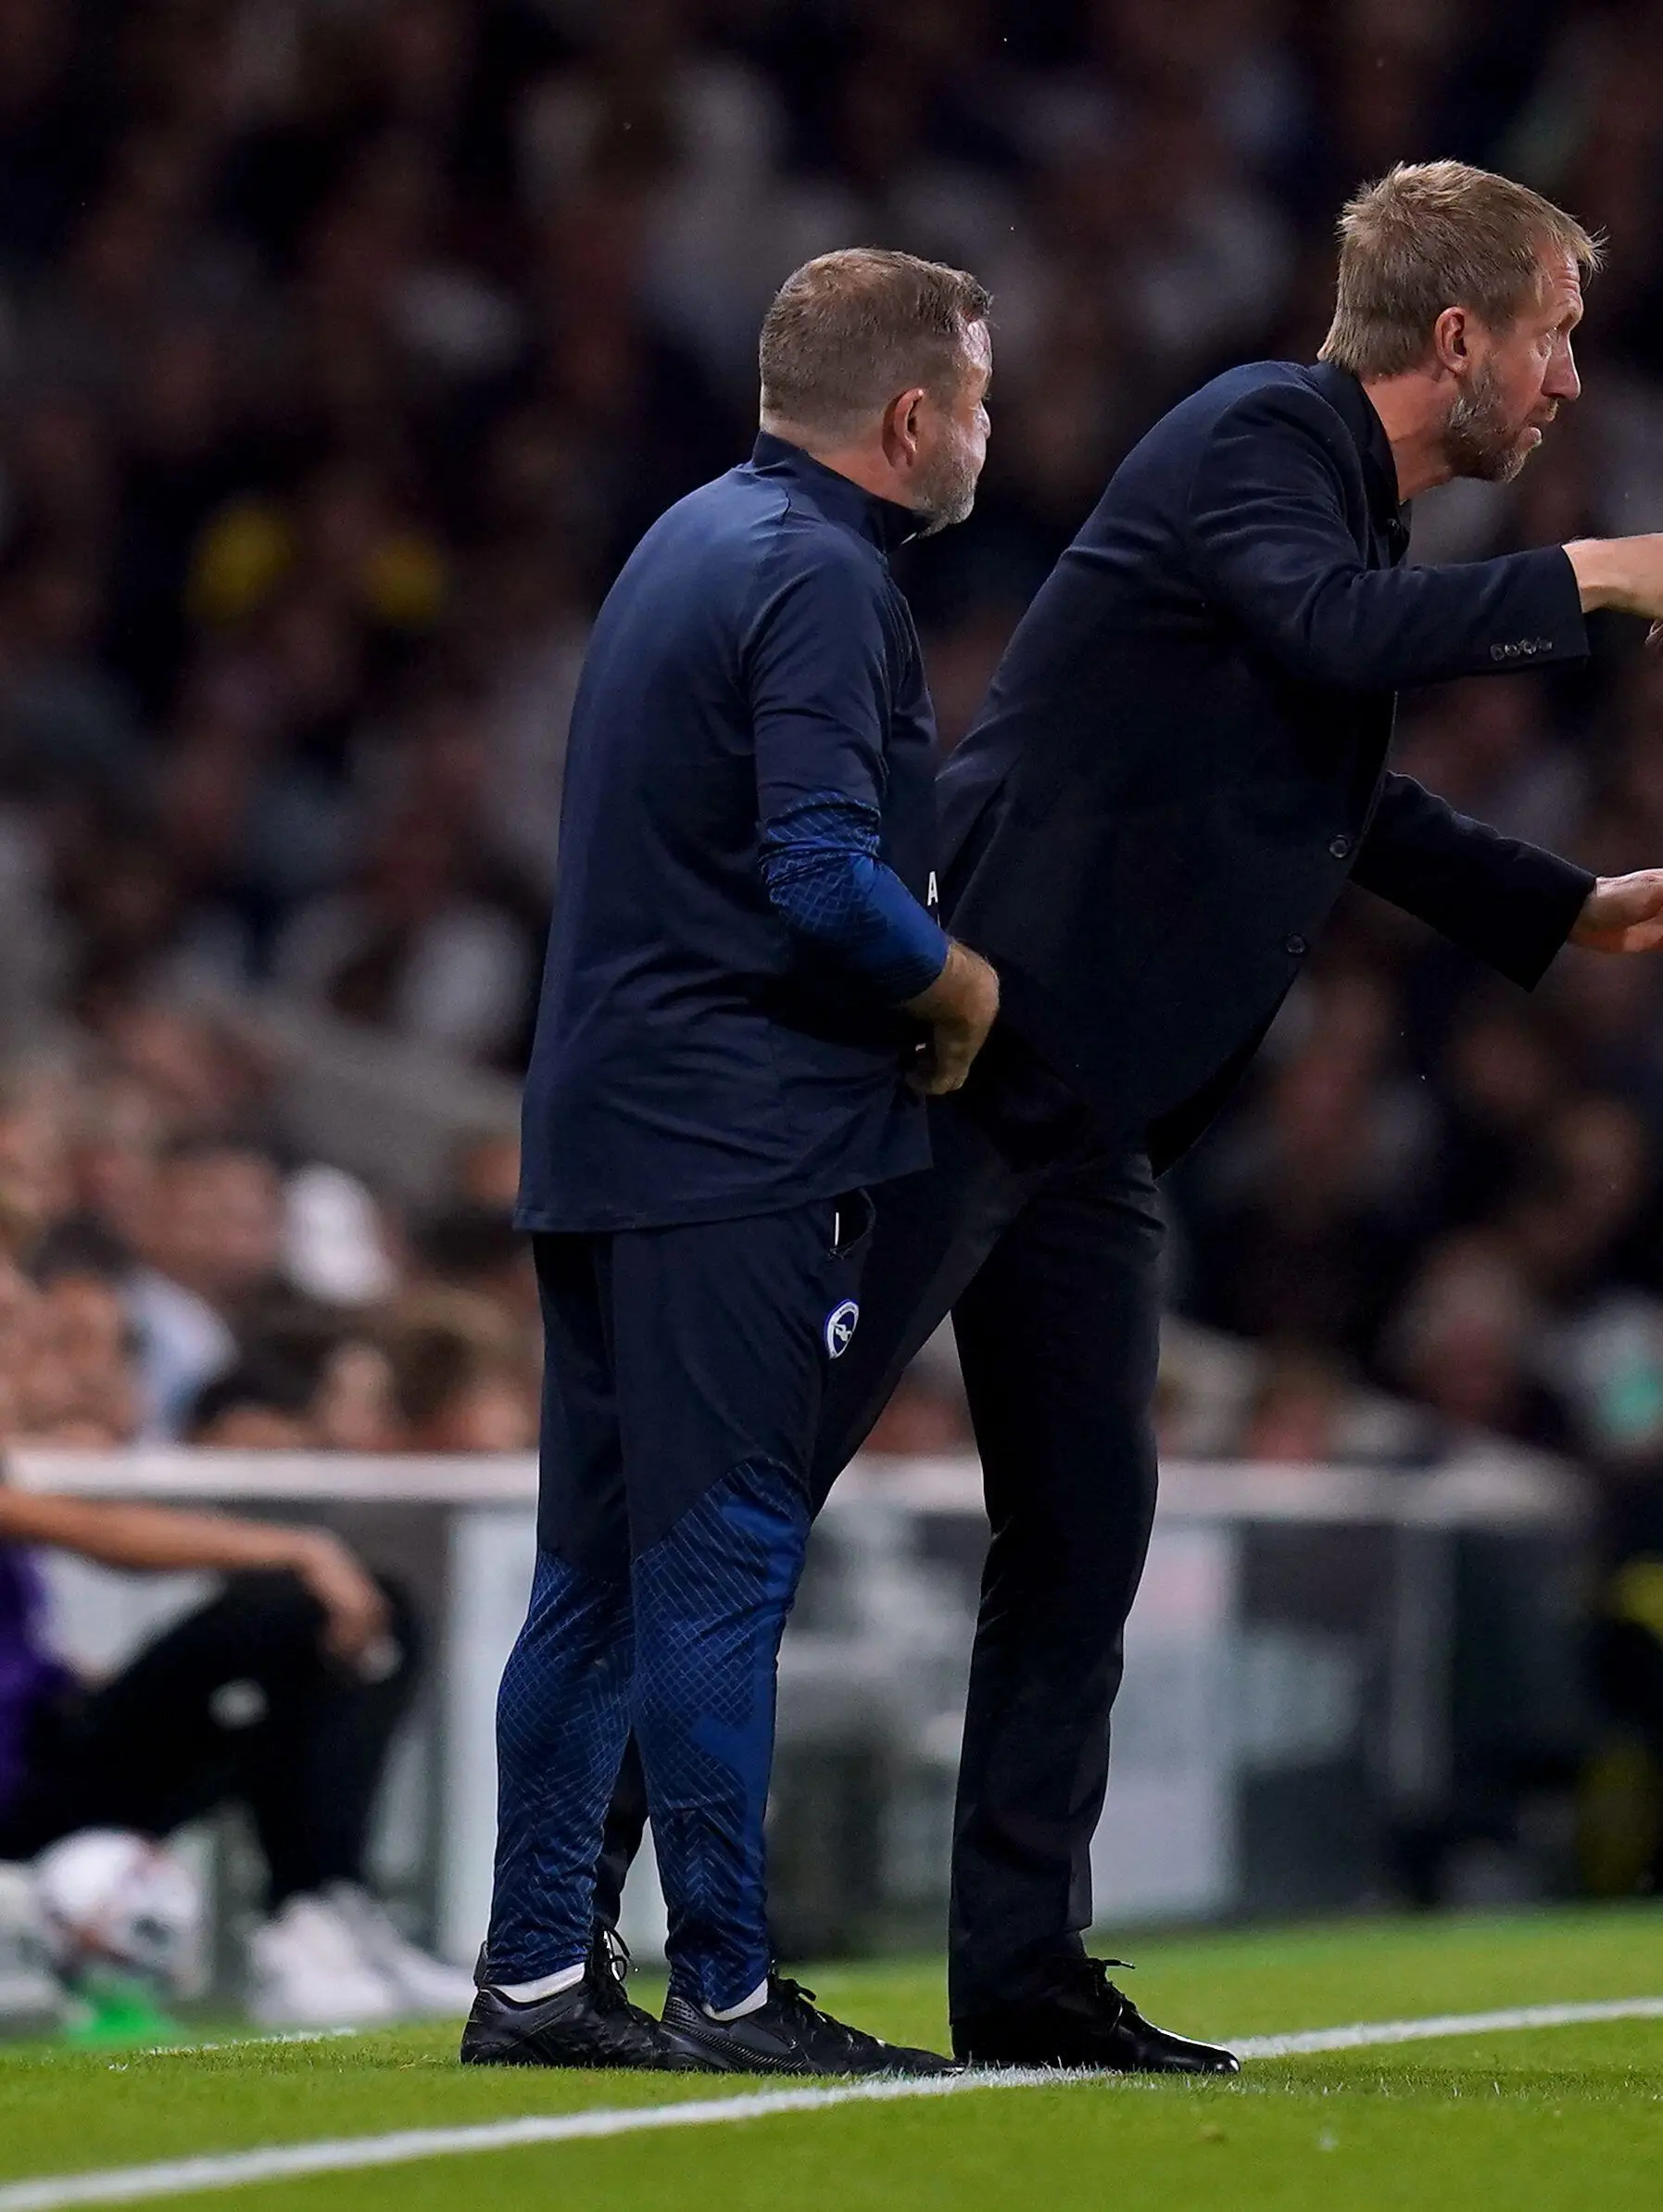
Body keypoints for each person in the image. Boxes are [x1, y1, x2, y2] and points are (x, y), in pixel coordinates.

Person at [579, 160, 1663, 2077]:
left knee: (1082, 1529)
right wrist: (1577, 578)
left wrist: (1565, 901)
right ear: (1453, 335)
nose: (1564, 382)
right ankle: (569, 1934)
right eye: (1550, 333)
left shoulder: (1326, 502)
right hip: (953, 1069)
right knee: (752, 1489)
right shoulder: (1254, 434)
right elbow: (1325, 633)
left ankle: (1024, 1969)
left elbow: (1326, 792)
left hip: (1084, 1112)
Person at [468, 248, 1004, 2076]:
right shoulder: (822, 575)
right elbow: (818, 868)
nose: (986, 435)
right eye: (981, 400)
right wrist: (954, 979)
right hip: (732, 1139)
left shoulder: (682, 539)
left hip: (601, 1128)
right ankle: (722, 1979)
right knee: (716, 1563)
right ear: (912, 414)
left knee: (594, 1576)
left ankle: (536, 1968)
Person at [0, 1461, 465, 2028]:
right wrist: (300, 1548)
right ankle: (306, 1929)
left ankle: (325, 1912)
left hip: (48, 1751)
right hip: (27, 1794)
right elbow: (108, 1533)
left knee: (357, 1633)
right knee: (294, 1607)